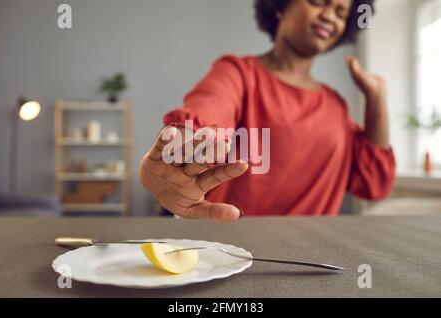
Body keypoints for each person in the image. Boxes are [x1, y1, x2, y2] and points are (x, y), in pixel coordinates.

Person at [139, 0, 395, 221]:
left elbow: (373, 184)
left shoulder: (335, 105)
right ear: (281, 6)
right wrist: (187, 140)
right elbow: (210, 107)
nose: (329, 16)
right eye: (318, 1)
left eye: (341, 13)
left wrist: (377, 97)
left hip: (309, 260)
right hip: (230, 251)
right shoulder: (238, 73)